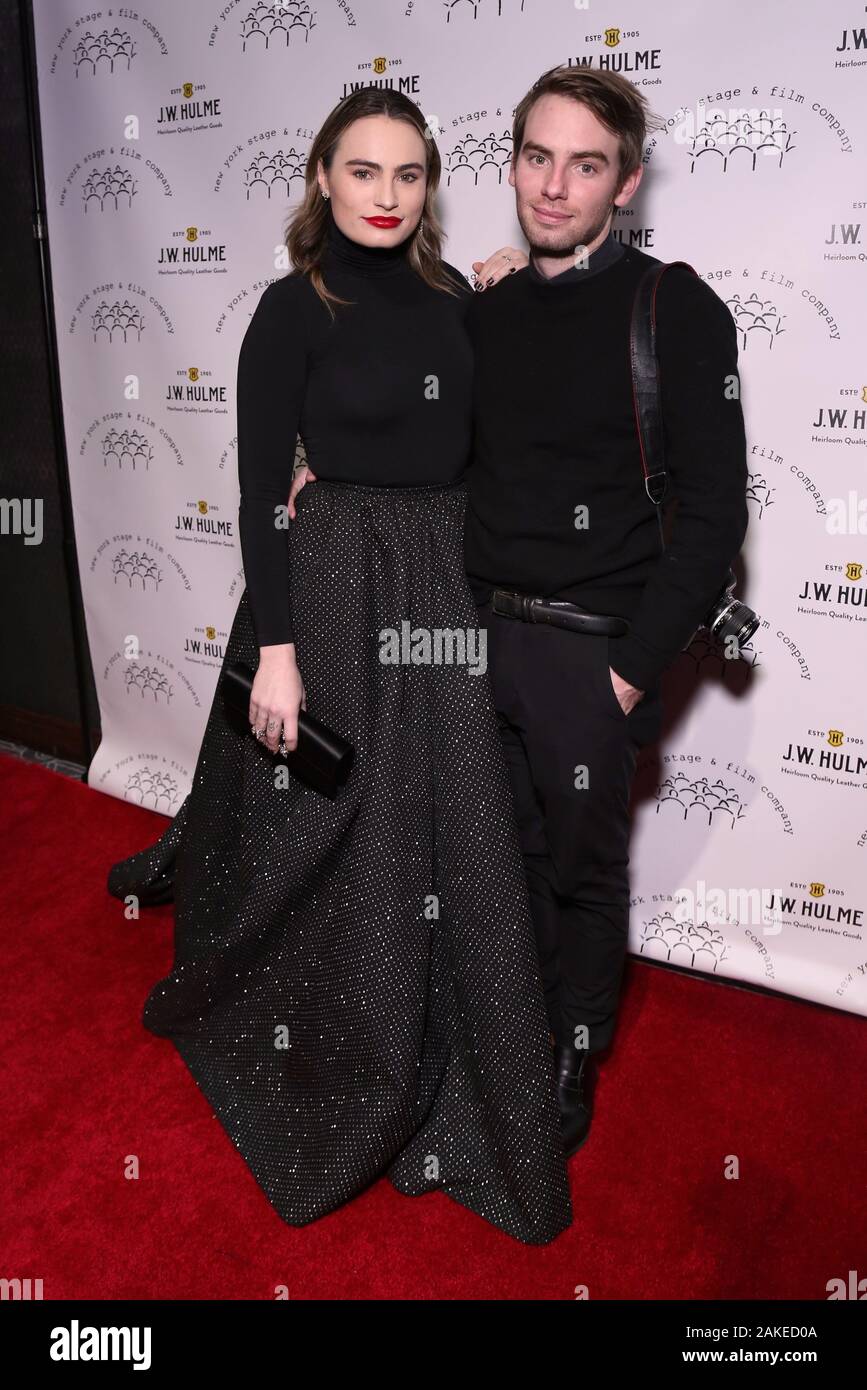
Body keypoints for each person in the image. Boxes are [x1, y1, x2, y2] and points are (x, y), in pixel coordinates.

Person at [107, 87, 573, 1245]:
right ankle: (324, 1033)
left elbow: (502, 434)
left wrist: (523, 303)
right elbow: (266, 490)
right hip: (327, 591)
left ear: (429, 187)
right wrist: (276, 652)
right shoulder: (291, 308)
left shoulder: (463, 297)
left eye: (408, 175)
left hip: (440, 579)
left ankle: (453, 1042)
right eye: (364, 172)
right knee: (333, 817)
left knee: (452, 827)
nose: (386, 196)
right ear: (324, 177)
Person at [292, 65, 750, 1160]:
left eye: (585, 164)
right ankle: (497, 1031)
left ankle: (566, 1052)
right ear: (509, 166)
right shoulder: (482, 308)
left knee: (577, 871)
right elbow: (417, 426)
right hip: (469, 632)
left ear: (626, 182)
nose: (555, 186)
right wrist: (323, 472)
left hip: (588, 652)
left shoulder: (674, 307)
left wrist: (629, 673)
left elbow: (719, 511)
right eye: (536, 157)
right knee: (485, 860)